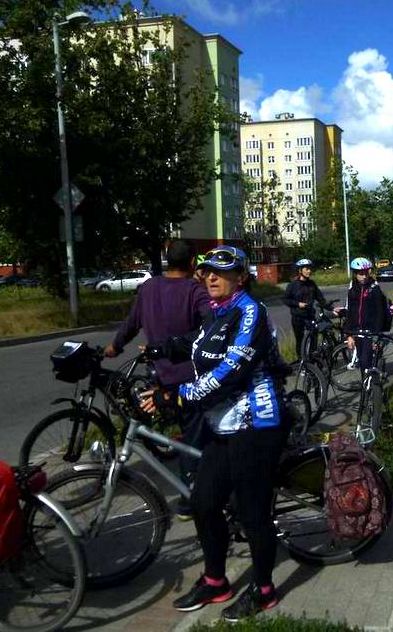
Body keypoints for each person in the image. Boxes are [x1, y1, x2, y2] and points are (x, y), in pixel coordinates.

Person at [141, 245, 290, 620]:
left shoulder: (250, 311)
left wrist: (177, 398)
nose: (210, 277)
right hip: (222, 425)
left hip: (256, 423)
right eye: (206, 270)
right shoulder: (219, 312)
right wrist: (158, 348)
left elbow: (229, 371)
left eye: (221, 272)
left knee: (253, 514)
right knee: (204, 503)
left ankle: (263, 589)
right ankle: (215, 580)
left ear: (241, 278)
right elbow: (196, 342)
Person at [104, 239, 210, 520]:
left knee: (159, 424)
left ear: (166, 260)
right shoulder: (194, 291)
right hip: (190, 377)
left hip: (159, 375)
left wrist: (115, 345)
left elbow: (132, 322)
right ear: (192, 263)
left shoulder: (148, 288)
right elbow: (210, 327)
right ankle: (191, 499)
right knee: (192, 438)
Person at [345, 257, 388, 371]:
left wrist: (376, 335)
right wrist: (349, 335)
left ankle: (374, 384)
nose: (364, 276)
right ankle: (366, 386)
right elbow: (350, 311)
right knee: (362, 362)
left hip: (371, 331)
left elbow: (380, 312)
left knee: (365, 361)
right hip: (357, 331)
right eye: (361, 273)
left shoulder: (374, 288)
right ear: (355, 273)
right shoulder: (352, 288)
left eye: (366, 273)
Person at [283, 258, 327, 359]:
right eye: (306, 269)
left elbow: (320, 298)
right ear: (300, 270)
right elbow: (285, 299)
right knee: (300, 340)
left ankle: (312, 359)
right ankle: (301, 361)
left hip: (309, 315)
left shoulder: (312, 284)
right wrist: (297, 304)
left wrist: (331, 308)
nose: (309, 271)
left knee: (313, 337)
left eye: (310, 269)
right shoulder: (293, 285)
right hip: (297, 316)